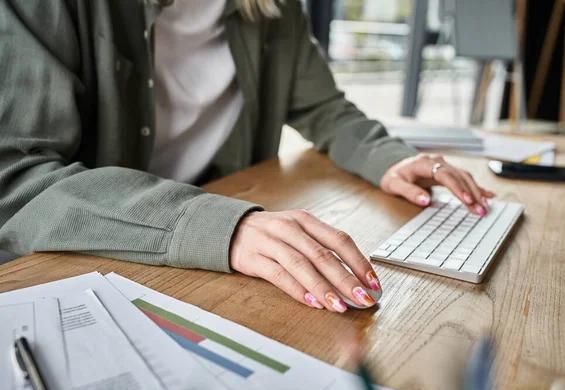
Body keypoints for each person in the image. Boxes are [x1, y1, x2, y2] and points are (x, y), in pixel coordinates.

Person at [0, 0, 494, 313]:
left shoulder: (277, 10)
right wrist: (223, 227)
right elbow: (16, 178)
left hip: (203, 266)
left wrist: (389, 158)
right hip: (79, 267)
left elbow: (325, 108)